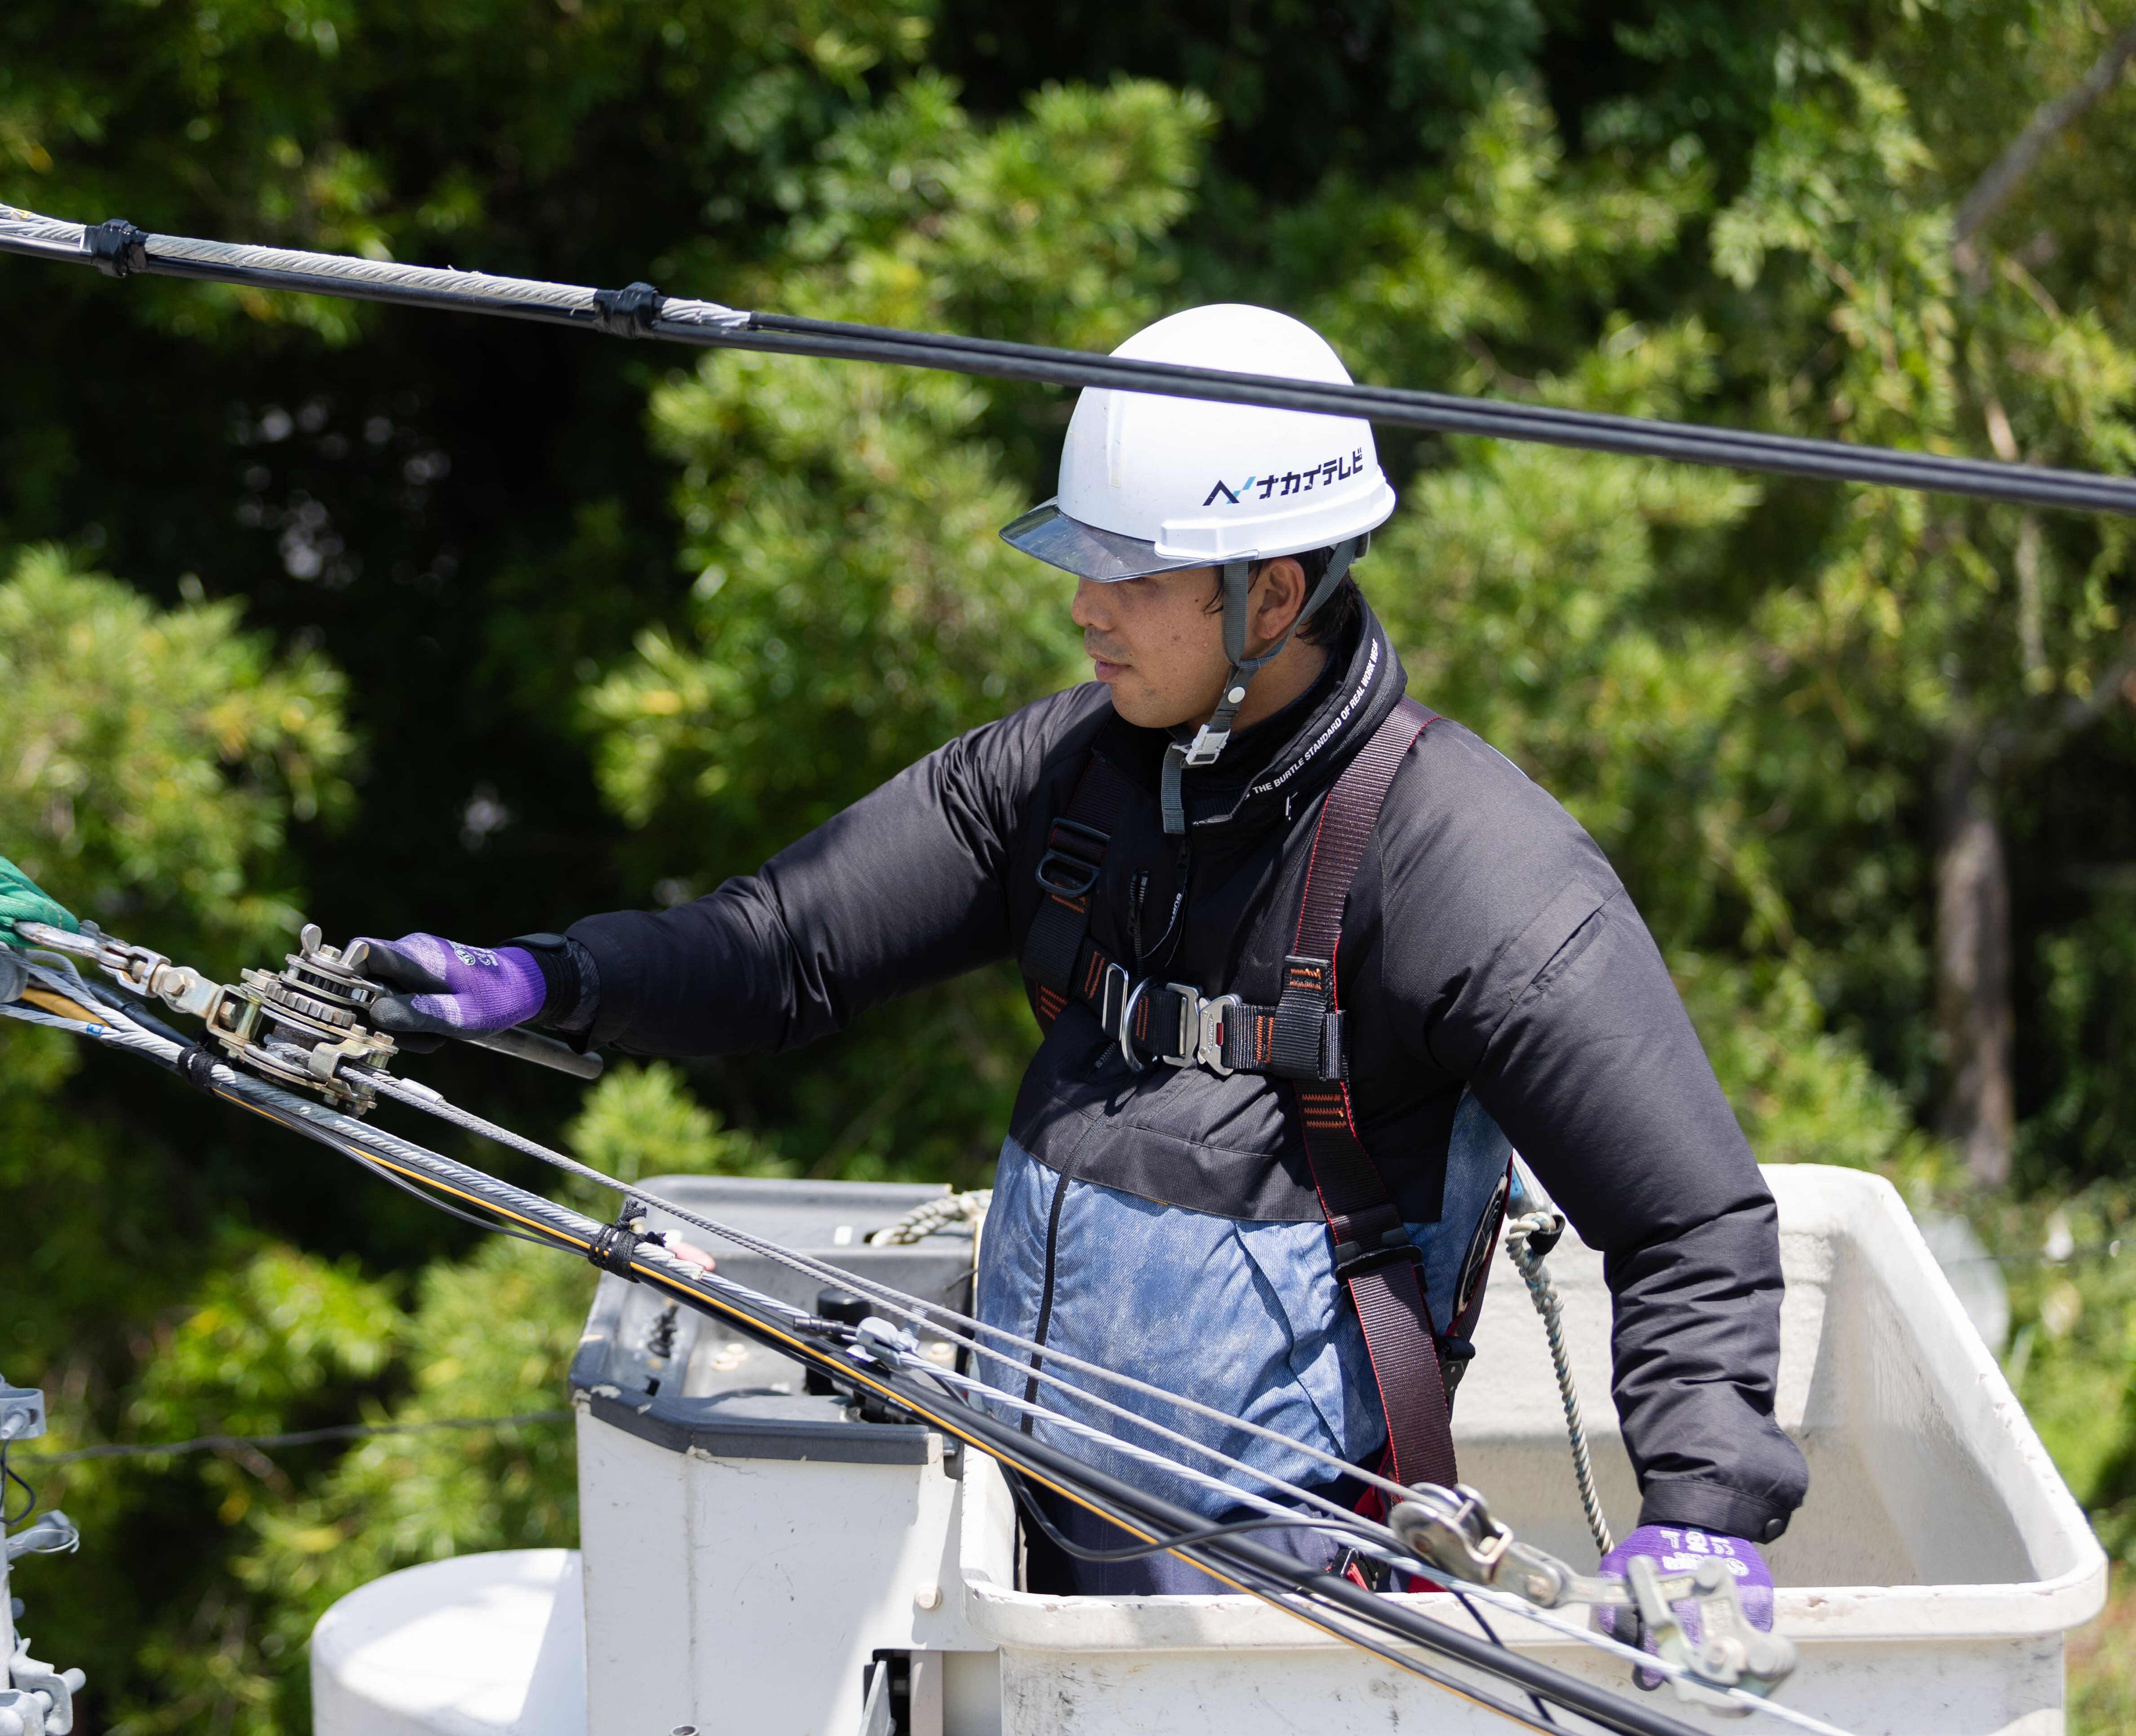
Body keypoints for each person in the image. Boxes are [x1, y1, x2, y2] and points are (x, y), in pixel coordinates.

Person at [361, 304, 1804, 1617]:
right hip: (1031, 1522)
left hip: (1289, 1594)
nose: (1082, 606)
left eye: (1127, 570)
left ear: (1273, 595)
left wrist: (1702, 1507)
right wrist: (553, 980)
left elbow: (1688, 1224)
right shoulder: (1061, 779)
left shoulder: (1476, 874)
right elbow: (784, 946)